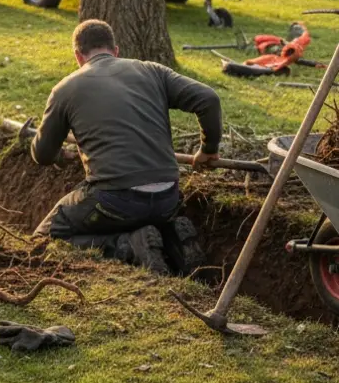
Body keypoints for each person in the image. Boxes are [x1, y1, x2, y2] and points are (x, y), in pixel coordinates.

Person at [31, 19, 221, 275]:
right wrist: (208, 148)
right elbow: (208, 99)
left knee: (46, 238)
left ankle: (125, 246)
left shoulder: (65, 89)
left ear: (78, 55)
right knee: (131, 211)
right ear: (116, 50)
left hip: (115, 202)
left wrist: (57, 155)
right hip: (168, 198)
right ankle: (171, 236)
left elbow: (42, 154)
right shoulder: (153, 71)